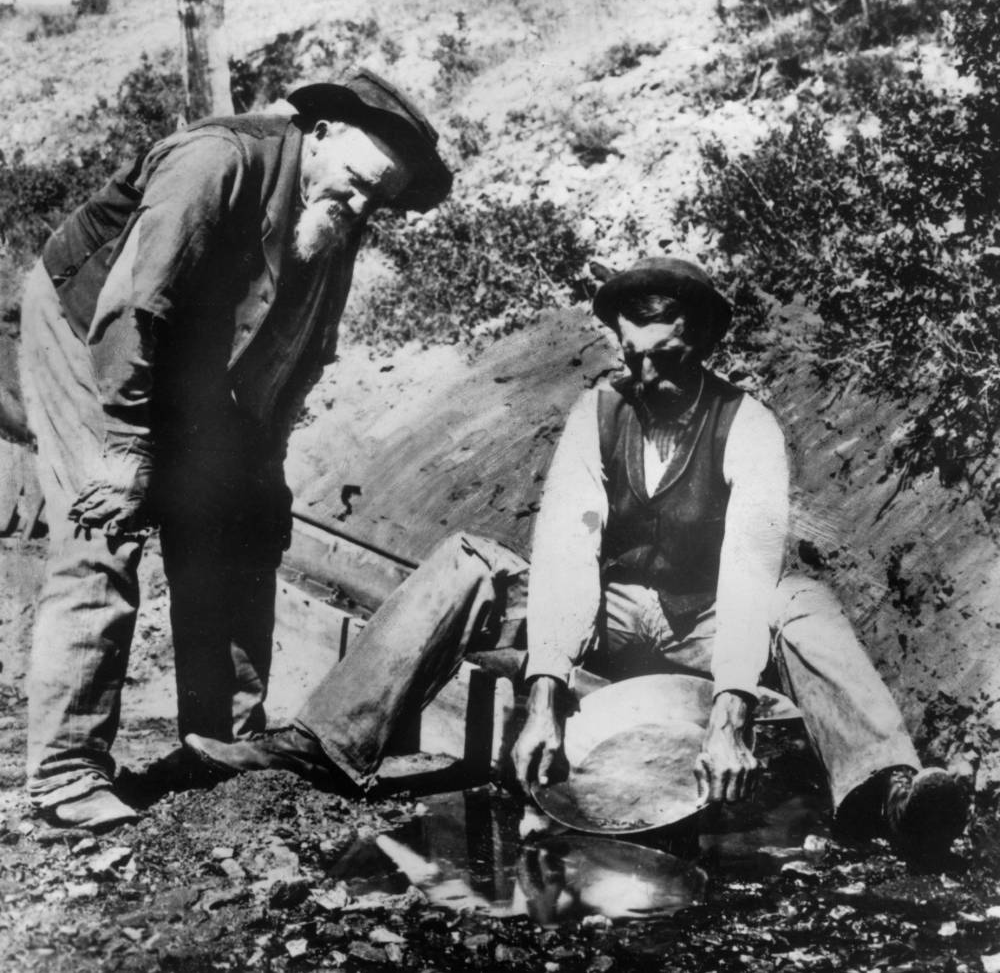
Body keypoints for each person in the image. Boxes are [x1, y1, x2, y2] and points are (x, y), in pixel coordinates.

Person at [185, 256, 968, 861]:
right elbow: (567, 545)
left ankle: (885, 790)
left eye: (666, 355)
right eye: (633, 355)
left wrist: (733, 707)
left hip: (707, 617)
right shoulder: (597, 412)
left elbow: (749, 559)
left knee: (802, 601)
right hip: (607, 609)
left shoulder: (747, 423)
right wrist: (546, 692)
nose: (648, 374)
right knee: (469, 560)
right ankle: (327, 744)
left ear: (703, 343)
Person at [20, 68, 452, 831]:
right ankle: (65, 772)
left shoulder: (336, 218)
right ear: (318, 134)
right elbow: (134, 308)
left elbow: (301, 351)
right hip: (93, 332)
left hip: (193, 360)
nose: (358, 207)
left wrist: (263, 463)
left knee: (240, 523)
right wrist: (127, 449)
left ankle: (220, 747)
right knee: (106, 525)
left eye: (376, 202)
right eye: (355, 183)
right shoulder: (216, 161)